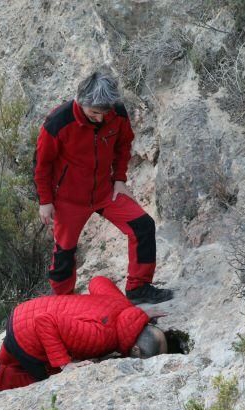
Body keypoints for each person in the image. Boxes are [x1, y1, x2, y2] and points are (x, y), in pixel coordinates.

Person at [33, 70, 173, 304]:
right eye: (95, 112)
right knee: (64, 252)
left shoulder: (116, 113)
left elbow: (123, 144)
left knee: (143, 226)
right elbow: (41, 165)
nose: (100, 118)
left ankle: (138, 288)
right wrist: (45, 201)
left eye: (104, 112)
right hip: (68, 200)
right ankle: (63, 303)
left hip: (106, 191)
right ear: (81, 101)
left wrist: (119, 179)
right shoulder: (58, 123)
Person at [0, 276, 168, 394]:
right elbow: (45, 323)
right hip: (30, 333)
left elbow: (98, 282)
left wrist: (137, 312)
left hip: (24, 316)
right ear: (135, 351)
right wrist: (65, 366)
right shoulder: (102, 336)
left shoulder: (125, 310)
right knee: (44, 379)